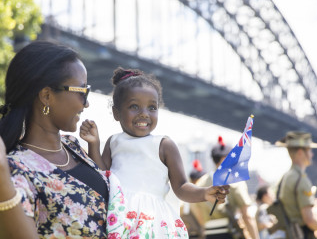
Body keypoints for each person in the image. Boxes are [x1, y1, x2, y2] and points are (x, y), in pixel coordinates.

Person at [80, 67, 230, 238]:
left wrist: (204, 193)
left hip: (152, 221)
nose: (144, 114)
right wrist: (94, 144)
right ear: (116, 113)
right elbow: (101, 178)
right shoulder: (113, 142)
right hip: (118, 216)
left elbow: (181, 187)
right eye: (134, 106)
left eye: (152, 107)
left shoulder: (164, 145)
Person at [0, 41, 115, 238]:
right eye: (82, 92)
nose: (86, 104)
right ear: (46, 96)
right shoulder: (17, 170)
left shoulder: (73, 146)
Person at [191, 136, 260, 239]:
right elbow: (248, 216)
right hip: (230, 233)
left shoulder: (200, 183)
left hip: (209, 234)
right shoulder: (235, 182)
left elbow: (196, 211)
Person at [274, 131, 317, 239]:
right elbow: (310, 220)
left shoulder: (287, 177)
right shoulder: (301, 180)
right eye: (309, 150)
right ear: (300, 152)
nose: (312, 154)